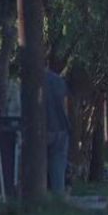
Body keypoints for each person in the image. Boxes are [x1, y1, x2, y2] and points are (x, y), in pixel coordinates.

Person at [45, 67, 70, 196]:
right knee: (58, 175)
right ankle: (58, 202)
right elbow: (65, 107)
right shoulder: (59, 81)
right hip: (61, 129)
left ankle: (38, 201)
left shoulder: (31, 81)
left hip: (42, 131)